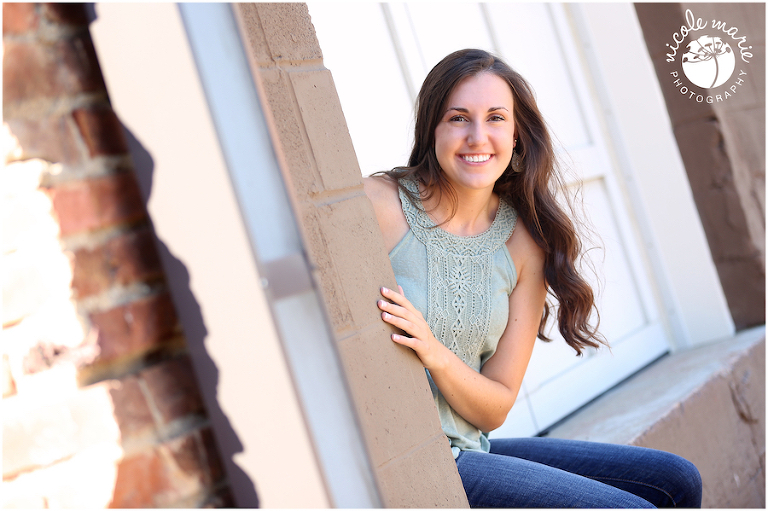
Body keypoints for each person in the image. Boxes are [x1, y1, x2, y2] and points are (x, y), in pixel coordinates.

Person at [363, 48, 702, 508]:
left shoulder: (524, 245)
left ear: (518, 135)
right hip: (415, 458)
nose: (477, 137)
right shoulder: (378, 205)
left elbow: (496, 407)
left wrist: (432, 352)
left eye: (496, 118)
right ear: (432, 129)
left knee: (675, 480)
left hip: (468, 446)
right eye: (458, 118)